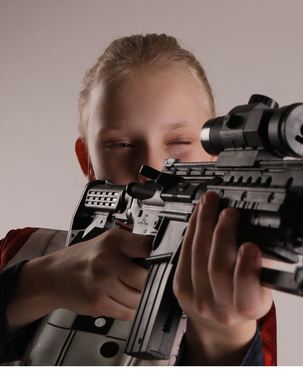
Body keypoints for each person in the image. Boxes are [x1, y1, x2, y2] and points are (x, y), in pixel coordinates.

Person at [0, 33, 276, 366]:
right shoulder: (23, 249)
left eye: (179, 141)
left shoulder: (232, 287)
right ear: (86, 160)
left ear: (216, 157)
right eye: (121, 145)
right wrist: (37, 284)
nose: (154, 167)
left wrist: (226, 338)